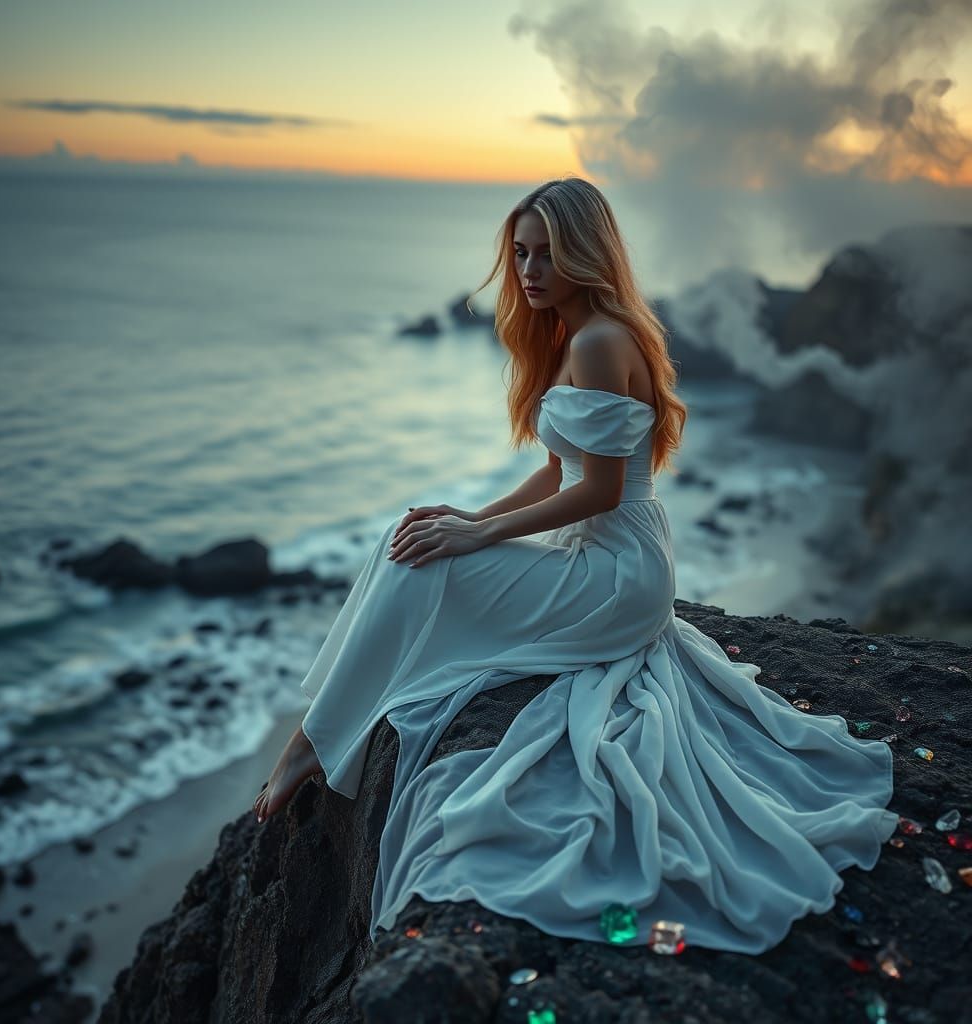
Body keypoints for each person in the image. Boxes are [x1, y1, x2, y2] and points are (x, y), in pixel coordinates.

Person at [251, 177, 898, 954]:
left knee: (422, 559)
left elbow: (598, 491)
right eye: (520, 253)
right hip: (608, 553)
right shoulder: (579, 333)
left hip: (616, 571)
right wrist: (471, 520)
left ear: (585, 253)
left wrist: (479, 539)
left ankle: (312, 741)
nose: (528, 271)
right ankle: (319, 733)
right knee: (413, 535)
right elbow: (560, 470)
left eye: (546, 254)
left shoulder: (598, 342)